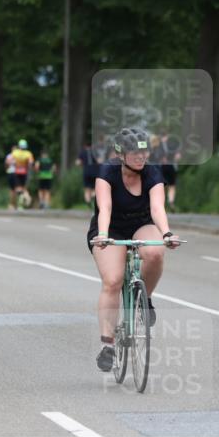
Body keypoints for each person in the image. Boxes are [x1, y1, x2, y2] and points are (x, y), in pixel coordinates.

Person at [88, 128, 181, 371]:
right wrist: (104, 235)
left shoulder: (152, 173)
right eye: (135, 152)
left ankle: (145, 299)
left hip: (141, 224)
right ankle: (107, 345)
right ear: (121, 154)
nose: (141, 156)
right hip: (111, 229)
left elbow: (158, 208)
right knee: (113, 280)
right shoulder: (107, 172)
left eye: (144, 151)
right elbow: (104, 207)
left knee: (155, 252)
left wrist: (167, 233)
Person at [7, 139, 33, 210]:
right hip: (25, 173)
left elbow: (9, 161)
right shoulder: (28, 153)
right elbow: (30, 163)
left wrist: (15, 164)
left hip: (17, 172)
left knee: (18, 189)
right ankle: (21, 204)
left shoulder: (15, 153)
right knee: (23, 188)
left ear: (19, 146)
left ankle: (25, 199)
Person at [158, 130, 181, 210]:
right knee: (172, 186)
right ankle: (171, 201)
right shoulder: (172, 144)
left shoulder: (158, 145)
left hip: (162, 167)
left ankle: (163, 202)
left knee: (162, 185)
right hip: (171, 166)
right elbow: (178, 156)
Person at [77, 140, 98, 206]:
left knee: (86, 188)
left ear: (85, 146)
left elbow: (78, 163)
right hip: (94, 172)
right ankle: (93, 195)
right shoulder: (94, 152)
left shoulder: (82, 152)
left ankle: (88, 201)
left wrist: (82, 165)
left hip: (86, 172)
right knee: (94, 187)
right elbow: (99, 161)